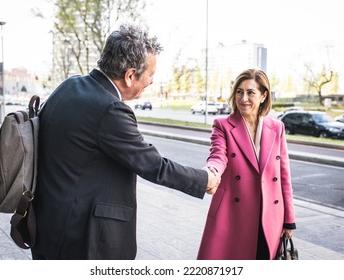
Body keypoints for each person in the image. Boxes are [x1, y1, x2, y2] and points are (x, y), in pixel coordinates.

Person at [31, 25, 220, 260]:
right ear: (130, 75)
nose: (152, 81)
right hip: (82, 240)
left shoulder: (69, 86)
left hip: (49, 227)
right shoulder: (110, 109)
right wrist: (205, 180)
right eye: (150, 74)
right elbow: (152, 165)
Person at [197, 69, 296, 260]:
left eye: (250, 92)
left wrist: (289, 220)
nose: (244, 98)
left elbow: (284, 176)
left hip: (270, 216)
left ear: (263, 95)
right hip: (233, 214)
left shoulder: (277, 128)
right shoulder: (223, 125)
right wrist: (212, 171)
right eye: (239, 92)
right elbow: (218, 155)